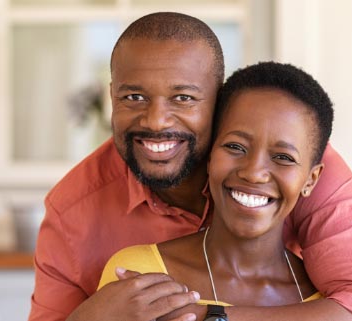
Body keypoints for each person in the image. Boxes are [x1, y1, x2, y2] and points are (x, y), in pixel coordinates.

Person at [29, 12, 352, 321]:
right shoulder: (71, 213)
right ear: (112, 96)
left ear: (218, 99)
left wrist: (211, 316)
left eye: (184, 97)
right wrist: (90, 317)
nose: (157, 121)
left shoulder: (303, 167)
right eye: (135, 96)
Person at [98, 61, 336, 316]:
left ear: (310, 180)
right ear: (209, 157)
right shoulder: (141, 276)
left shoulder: (329, 301)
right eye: (235, 147)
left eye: (283, 158)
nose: (254, 173)